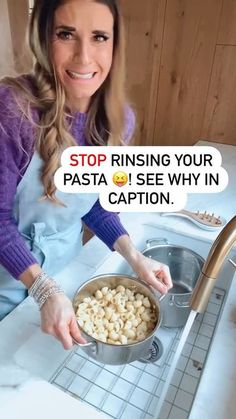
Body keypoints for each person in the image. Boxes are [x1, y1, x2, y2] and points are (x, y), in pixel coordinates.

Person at [0, 0, 172, 349]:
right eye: (66, 34)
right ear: (45, 40)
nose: (83, 56)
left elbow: (95, 204)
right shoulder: (12, 110)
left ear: (115, 46)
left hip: (64, 273)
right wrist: (42, 288)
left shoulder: (119, 120)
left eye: (99, 37)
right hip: (6, 284)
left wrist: (134, 256)